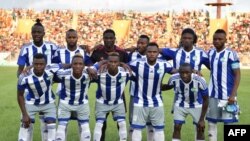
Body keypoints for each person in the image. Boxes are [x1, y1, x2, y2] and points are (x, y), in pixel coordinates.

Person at [16, 19, 58, 141]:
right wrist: (22, 80)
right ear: (31, 33)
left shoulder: (52, 46)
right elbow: (20, 70)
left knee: (47, 124)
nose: (36, 34)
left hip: (47, 87)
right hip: (31, 88)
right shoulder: (26, 48)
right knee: (27, 123)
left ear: (44, 33)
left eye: (39, 32)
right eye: (34, 32)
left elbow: (62, 58)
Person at [129, 42, 174, 141]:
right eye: (149, 52)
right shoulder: (136, 63)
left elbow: (177, 72)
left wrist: (193, 72)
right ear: (146, 53)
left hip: (157, 102)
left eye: (154, 52)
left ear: (158, 53)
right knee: (137, 128)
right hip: (140, 102)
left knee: (159, 129)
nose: (152, 54)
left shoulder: (164, 64)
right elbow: (124, 67)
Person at [90, 29, 128, 141]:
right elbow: (90, 65)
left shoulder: (122, 52)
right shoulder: (97, 52)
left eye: (111, 38)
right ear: (103, 38)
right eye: (106, 38)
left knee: (120, 122)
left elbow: (127, 65)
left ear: (114, 39)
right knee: (102, 122)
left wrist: (120, 63)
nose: (108, 40)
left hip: (119, 92)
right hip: (103, 92)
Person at [206, 29, 241, 141]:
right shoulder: (210, 53)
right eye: (215, 39)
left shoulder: (231, 54)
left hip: (228, 95)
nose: (217, 41)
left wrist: (233, 94)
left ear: (225, 40)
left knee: (229, 125)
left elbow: (237, 75)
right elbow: (211, 68)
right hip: (213, 95)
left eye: (220, 39)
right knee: (211, 122)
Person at [17, 53, 60, 141]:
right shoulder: (24, 76)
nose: (38, 66)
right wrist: (24, 114)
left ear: (45, 64)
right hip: (31, 103)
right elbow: (20, 95)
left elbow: (65, 65)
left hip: (49, 103)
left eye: (41, 64)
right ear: (32, 64)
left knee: (51, 129)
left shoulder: (51, 69)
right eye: (36, 64)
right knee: (25, 129)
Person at [162, 63, 209, 141]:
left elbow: (206, 99)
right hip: (180, 104)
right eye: (182, 73)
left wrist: (201, 120)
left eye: (187, 72)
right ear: (179, 72)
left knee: (200, 128)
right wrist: (158, 84)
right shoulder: (173, 78)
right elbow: (168, 86)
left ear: (192, 72)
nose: (184, 75)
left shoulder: (200, 80)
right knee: (176, 126)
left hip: (197, 105)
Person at [55, 54, 93, 141]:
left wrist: (121, 64)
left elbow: (102, 63)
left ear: (84, 65)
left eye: (80, 64)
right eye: (75, 64)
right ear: (71, 65)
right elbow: (48, 69)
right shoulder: (62, 74)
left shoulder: (89, 73)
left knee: (86, 129)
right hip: (65, 103)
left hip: (82, 104)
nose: (77, 66)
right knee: (61, 129)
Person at [128, 35, 155, 141]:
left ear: (148, 45)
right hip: (134, 94)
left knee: (150, 122)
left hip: (150, 95)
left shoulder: (154, 56)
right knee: (133, 121)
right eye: (138, 43)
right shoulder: (132, 55)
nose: (139, 45)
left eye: (142, 43)